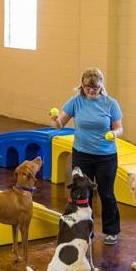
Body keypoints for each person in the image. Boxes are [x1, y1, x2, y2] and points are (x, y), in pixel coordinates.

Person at [50, 67, 123, 245]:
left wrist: (113, 134)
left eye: (95, 88)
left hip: (106, 156)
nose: (91, 91)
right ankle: (85, 229)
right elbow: (60, 123)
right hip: (82, 154)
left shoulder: (111, 104)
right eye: (87, 88)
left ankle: (111, 231)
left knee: (106, 193)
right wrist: (55, 120)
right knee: (83, 194)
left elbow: (119, 128)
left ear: (101, 86)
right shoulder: (76, 102)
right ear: (82, 86)